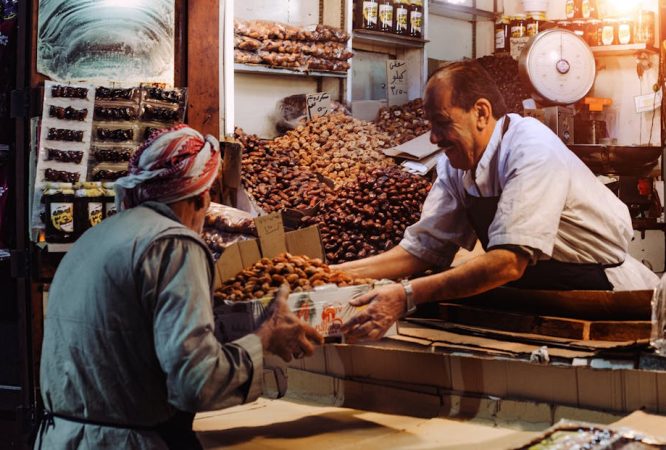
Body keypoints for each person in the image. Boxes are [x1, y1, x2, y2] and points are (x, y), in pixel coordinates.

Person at [35, 125, 323, 449]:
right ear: (201, 198)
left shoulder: (95, 237)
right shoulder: (174, 244)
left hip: (60, 438)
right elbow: (195, 381)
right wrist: (264, 338)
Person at [338, 60, 659, 343]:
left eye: (442, 123)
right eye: (430, 126)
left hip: (596, 288)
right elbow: (420, 251)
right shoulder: (455, 165)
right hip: (531, 288)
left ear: (481, 112)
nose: (433, 138)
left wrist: (407, 294)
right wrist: (332, 275)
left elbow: (508, 262)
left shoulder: (530, 149)